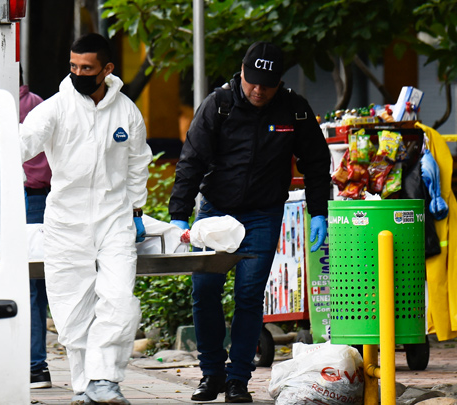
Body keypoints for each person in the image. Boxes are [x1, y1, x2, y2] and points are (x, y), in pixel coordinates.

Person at [168, 41, 330, 403]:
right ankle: (212, 374)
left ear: (279, 82)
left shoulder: (294, 111)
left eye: (267, 84)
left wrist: (319, 210)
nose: (258, 90)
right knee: (205, 290)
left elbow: (317, 163)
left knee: (249, 294)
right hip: (215, 212)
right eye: (252, 81)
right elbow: (191, 160)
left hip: (263, 214)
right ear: (242, 71)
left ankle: (239, 378)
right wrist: (179, 213)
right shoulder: (218, 105)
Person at [20, 33, 152, 405]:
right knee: (71, 308)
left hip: (114, 219)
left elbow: (137, 163)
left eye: (87, 68)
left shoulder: (127, 111)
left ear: (107, 69)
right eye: (74, 67)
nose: (78, 73)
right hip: (66, 220)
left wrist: (137, 210)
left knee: (119, 299)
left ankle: (105, 379)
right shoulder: (56, 108)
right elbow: (23, 141)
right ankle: (86, 386)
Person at [19, 66, 53, 389]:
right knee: (37, 286)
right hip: (41, 200)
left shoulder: (5, 108)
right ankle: (36, 365)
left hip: (22, 200)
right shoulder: (40, 105)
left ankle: (33, 365)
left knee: (24, 285)